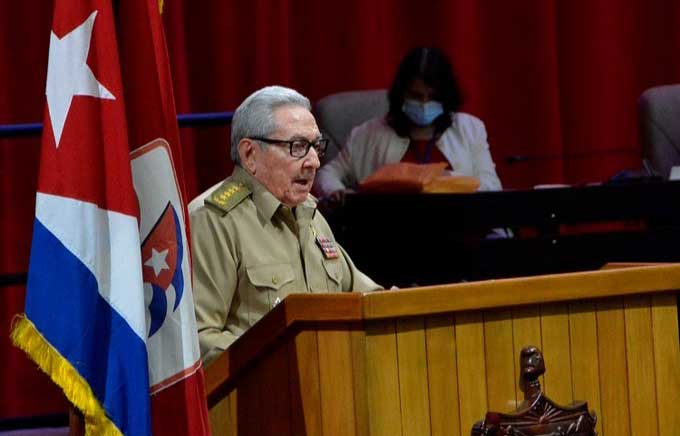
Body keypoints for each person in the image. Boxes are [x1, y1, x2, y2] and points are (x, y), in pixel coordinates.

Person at [191, 86, 382, 364]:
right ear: (250, 155)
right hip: (262, 389)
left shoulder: (309, 212)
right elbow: (199, 340)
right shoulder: (212, 221)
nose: (314, 162)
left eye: (316, 146)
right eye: (298, 147)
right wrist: (292, 358)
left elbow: (364, 297)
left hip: (330, 380)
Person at [314, 46, 502, 201]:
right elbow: (326, 174)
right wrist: (336, 191)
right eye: (416, 96)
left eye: (433, 97)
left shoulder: (470, 129)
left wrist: (451, 183)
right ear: (401, 94)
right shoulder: (367, 133)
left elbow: (492, 186)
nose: (425, 103)